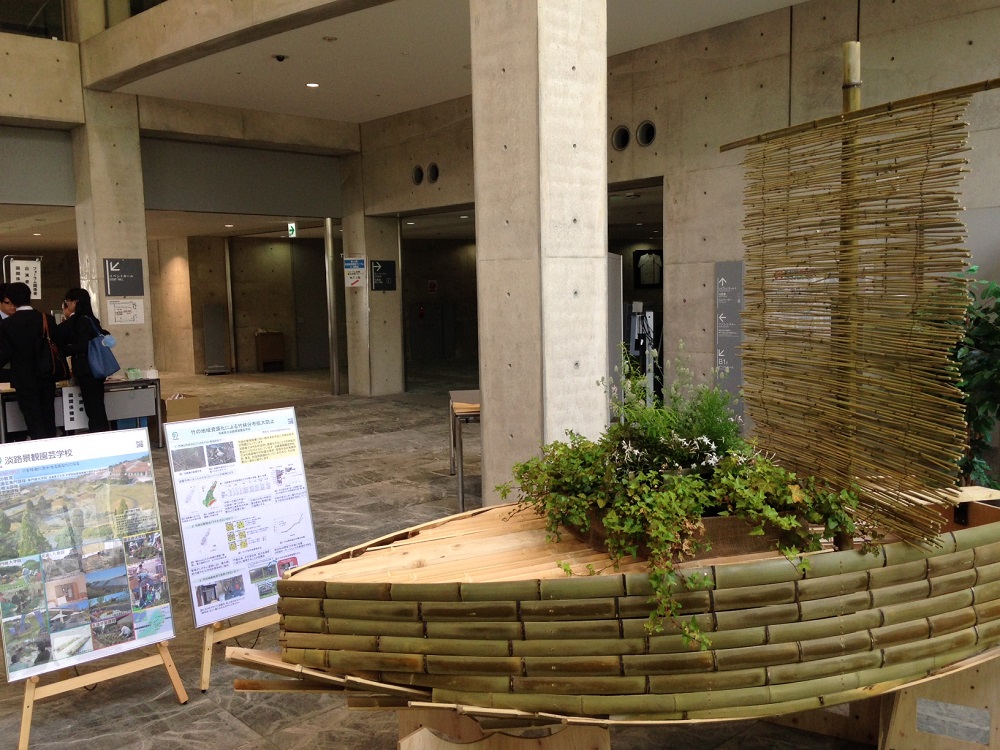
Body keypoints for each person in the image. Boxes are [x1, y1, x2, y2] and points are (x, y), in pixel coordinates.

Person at [0, 282, 58, 439]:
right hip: (47, 376)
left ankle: (40, 449)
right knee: (48, 417)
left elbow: (5, 353)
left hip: (24, 379)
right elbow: (58, 345)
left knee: (33, 421)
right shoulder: (47, 319)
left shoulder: (7, 324)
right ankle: (53, 449)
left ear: (11, 300)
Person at [56, 288, 110, 432]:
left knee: (93, 408)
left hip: (87, 369)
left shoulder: (79, 321)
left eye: (67, 301)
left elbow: (84, 346)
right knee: (97, 406)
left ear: (75, 302)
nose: (67, 304)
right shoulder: (92, 319)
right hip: (97, 368)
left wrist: (65, 349)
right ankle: (102, 433)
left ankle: (98, 434)